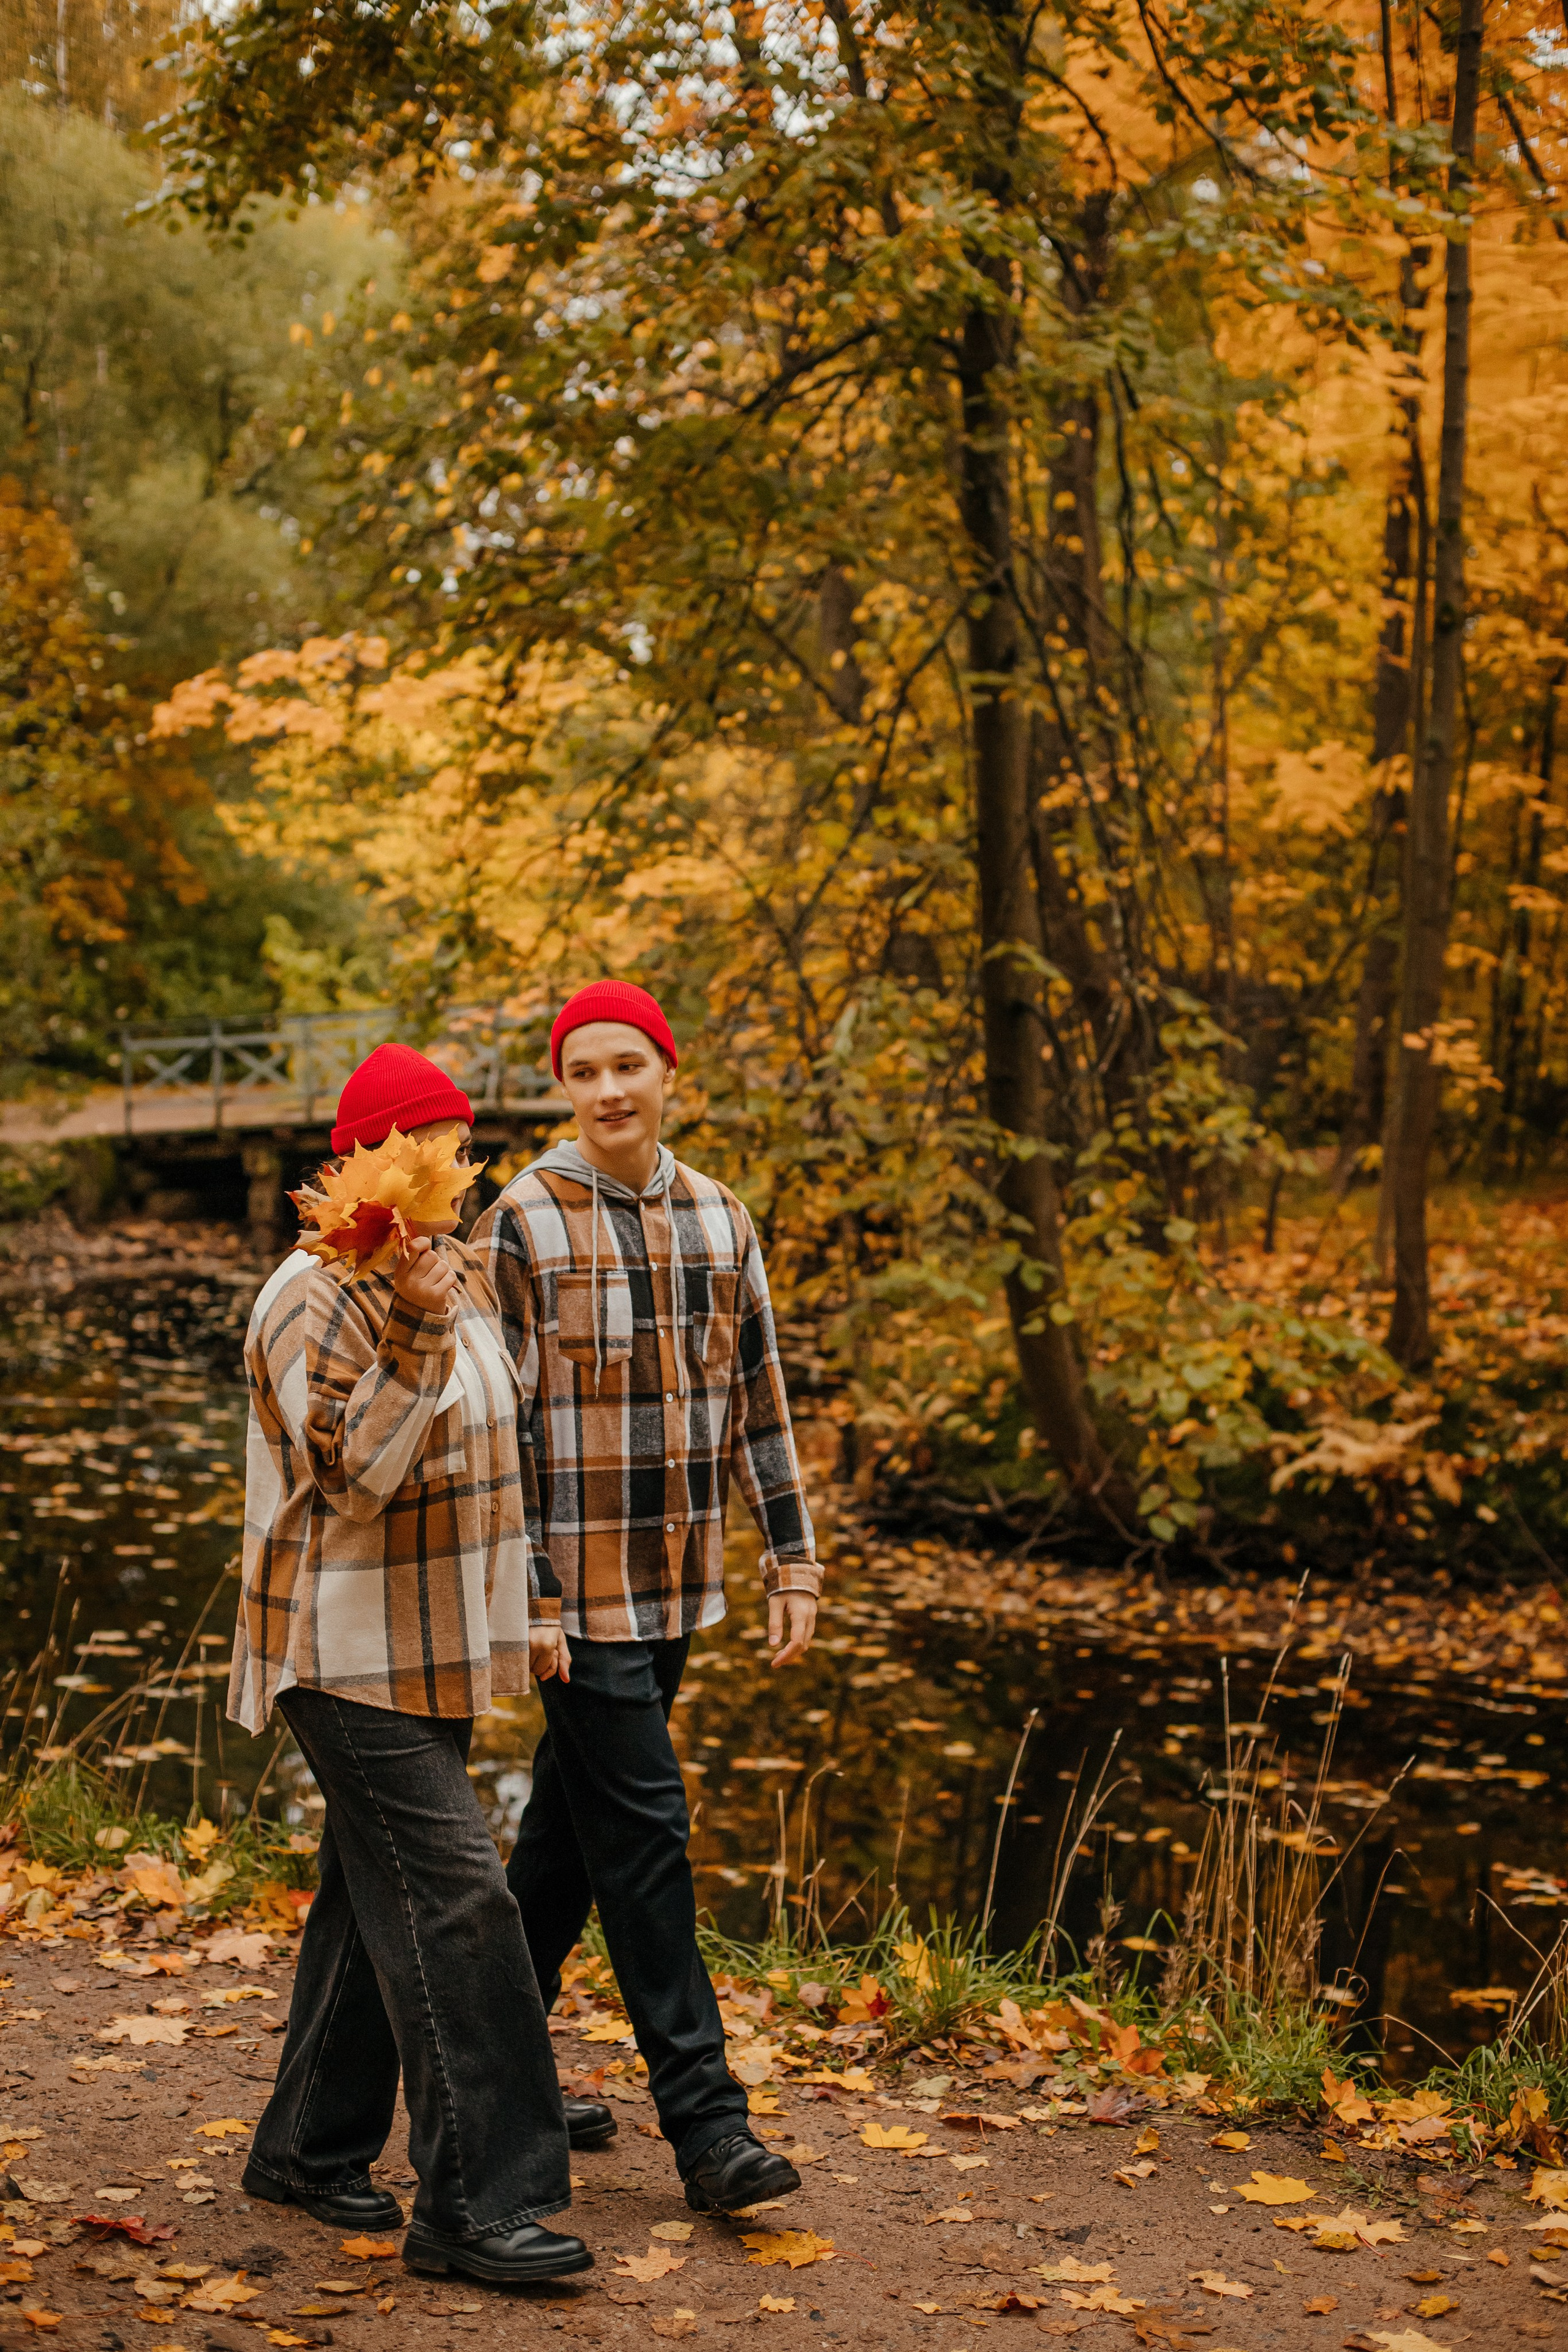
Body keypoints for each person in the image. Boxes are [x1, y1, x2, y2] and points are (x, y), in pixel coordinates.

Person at [228, 1040, 602, 2287]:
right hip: (340, 1653)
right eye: (424, 1154)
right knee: (460, 1898)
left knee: (367, 1892)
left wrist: (537, 1601)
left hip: (435, 1644)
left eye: (458, 1152)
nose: (453, 1179)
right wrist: (412, 1325)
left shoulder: (450, 1271)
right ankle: (475, 2204)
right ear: (362, 1164)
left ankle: (305, 2147)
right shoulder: (310, 1293)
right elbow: (354, 1477)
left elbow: (499, 1455)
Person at [470, 980, 823, 2217]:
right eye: (584, 1070)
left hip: (678, 1585)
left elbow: (758, 1401)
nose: (609, 1089)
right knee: (647, 1832)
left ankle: (476, 2068)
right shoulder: (518, 1218)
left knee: (567, 1847)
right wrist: (529, 1599)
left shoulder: (723, 1219)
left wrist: (792, 1558)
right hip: (573, 1603)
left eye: (629, 1064)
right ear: (562, 1085)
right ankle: (709, 2129)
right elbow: (496, 1434)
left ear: (667, 1072)